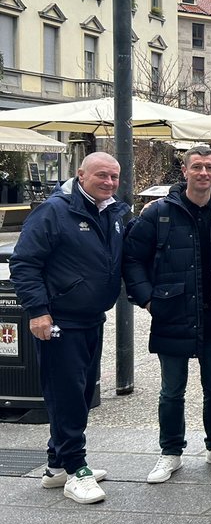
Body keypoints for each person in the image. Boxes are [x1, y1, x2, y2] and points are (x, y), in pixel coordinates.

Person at [11, 153, 127, 504]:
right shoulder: (54, 211)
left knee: (77, 393)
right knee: (66, 395)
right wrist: (38, 311)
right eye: (101, 176)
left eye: (114, 177)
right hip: (61, 320)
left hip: (92, 317)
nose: (108, 183)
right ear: (81, 175)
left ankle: (55, 466)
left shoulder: (115, 212)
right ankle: (76, 469)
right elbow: (24, 262)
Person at [124, 146, 211, 483]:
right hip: (173, 311)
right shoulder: (159, 212)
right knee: (172, 390)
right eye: (197, 167)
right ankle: (171, 452)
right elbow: (132, 258)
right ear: (185, 171)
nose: (203, 173)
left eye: (209, 167)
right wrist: (147, 299)